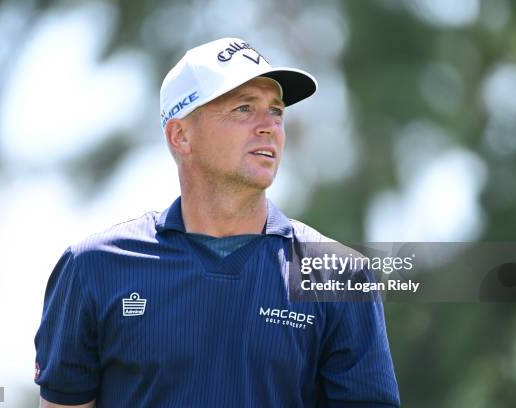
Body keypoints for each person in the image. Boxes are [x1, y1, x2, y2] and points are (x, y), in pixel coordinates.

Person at [34, 37, 400, 407]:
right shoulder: (93, 268)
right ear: (181, 135)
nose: (269, 126)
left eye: (276, 111)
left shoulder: (338, 275)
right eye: (243, 108)